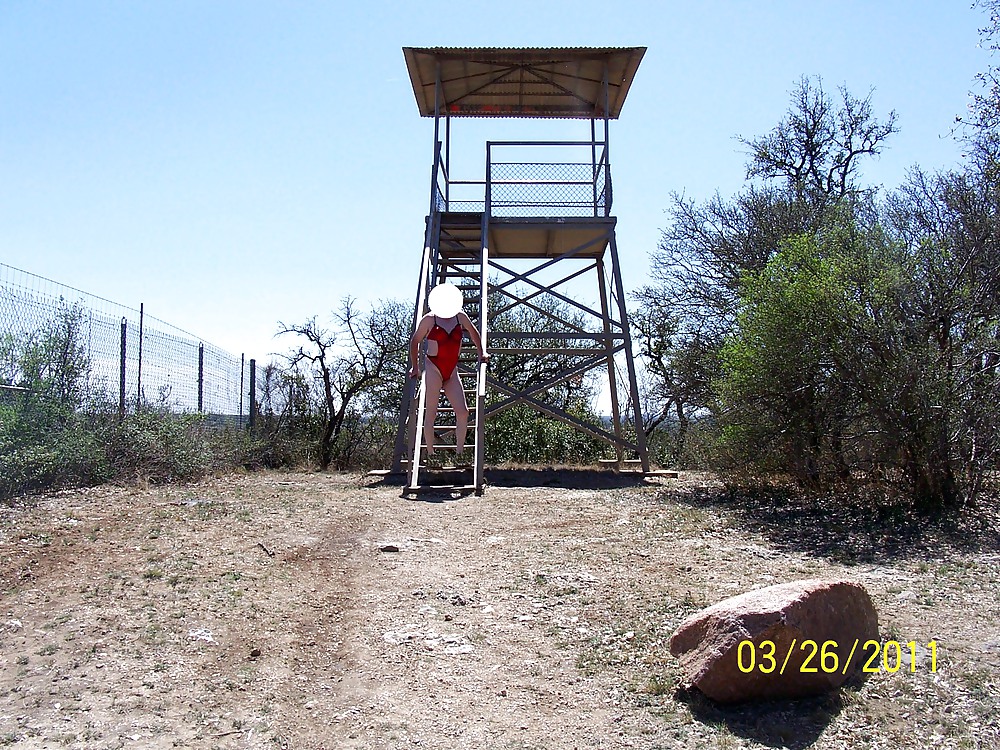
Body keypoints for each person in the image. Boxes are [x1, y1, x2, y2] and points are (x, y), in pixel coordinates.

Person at [408, 284, 489, 455]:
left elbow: (474, 333)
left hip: (451, 370)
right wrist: (415, 367)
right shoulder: (430, 319)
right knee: (431, 413)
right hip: (433, 368)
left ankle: (459, 453)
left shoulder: (460, 317)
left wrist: (482, 353)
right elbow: (415, 341)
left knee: (463, 412)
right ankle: (431, 453)